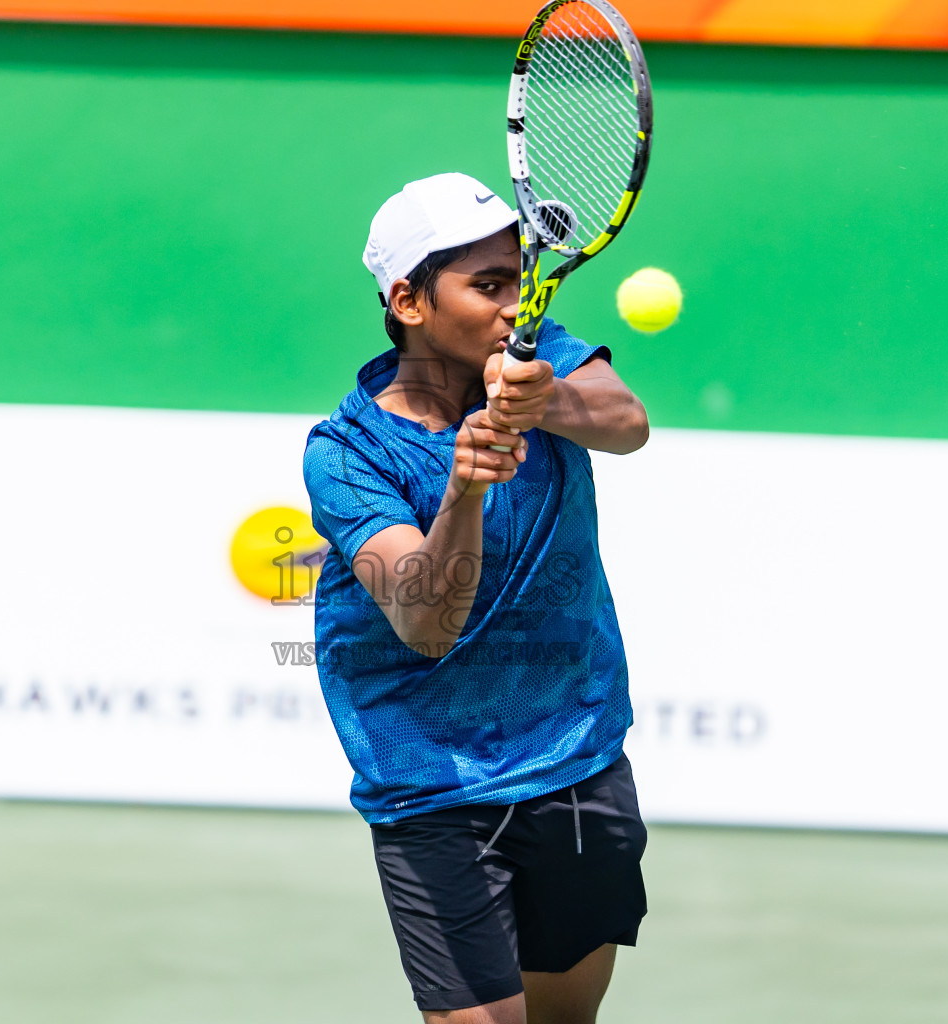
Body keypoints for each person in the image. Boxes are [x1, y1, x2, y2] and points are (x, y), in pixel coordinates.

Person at [302, 172, 650, 1024]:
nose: (512, 307)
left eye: (518, 280)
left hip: (575, 758)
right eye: (486, 286)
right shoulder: (345, 455)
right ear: (410, 301)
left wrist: (552, 401)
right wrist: (462, 489)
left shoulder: (539, 354)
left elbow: (628, 424)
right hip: (432, 784)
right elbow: (424, 625)